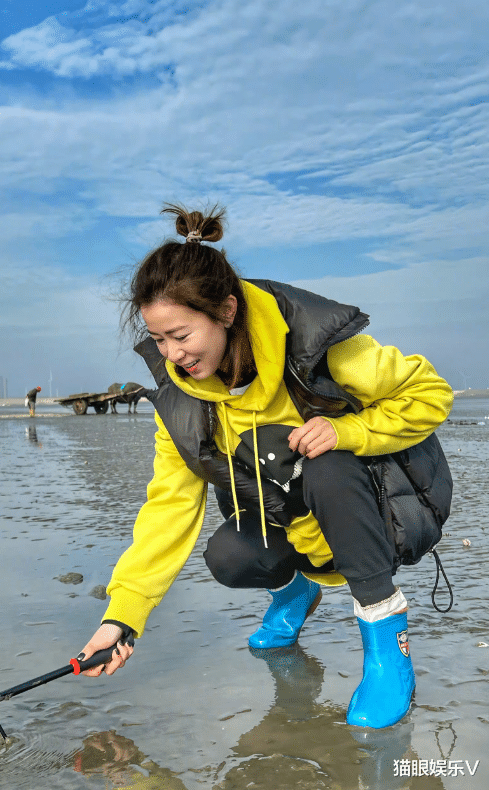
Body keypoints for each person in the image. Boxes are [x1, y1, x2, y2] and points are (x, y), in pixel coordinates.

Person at [76, 204, 453, 729]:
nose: (171, 355)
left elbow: (431, 394)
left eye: (181, 336)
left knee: (321, 456)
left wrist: (349, 431)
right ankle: (298, 591)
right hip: (296, 518)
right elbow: (170, 506)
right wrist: (123, 616)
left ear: (227, 311)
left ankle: (389, 646)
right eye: (158, 340)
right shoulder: (182, 401)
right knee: (228, 555)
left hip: (388, 507)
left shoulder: (319, 347)